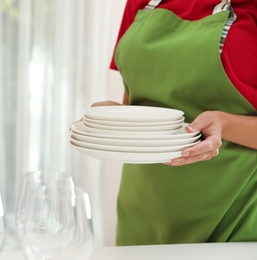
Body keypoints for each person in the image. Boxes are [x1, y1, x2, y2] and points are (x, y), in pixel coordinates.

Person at [93, 0, 257, 246]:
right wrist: (117, 118)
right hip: (142, 212)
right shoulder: (141, 3)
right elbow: (135, 100)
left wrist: (224, 124)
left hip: (235, 217)